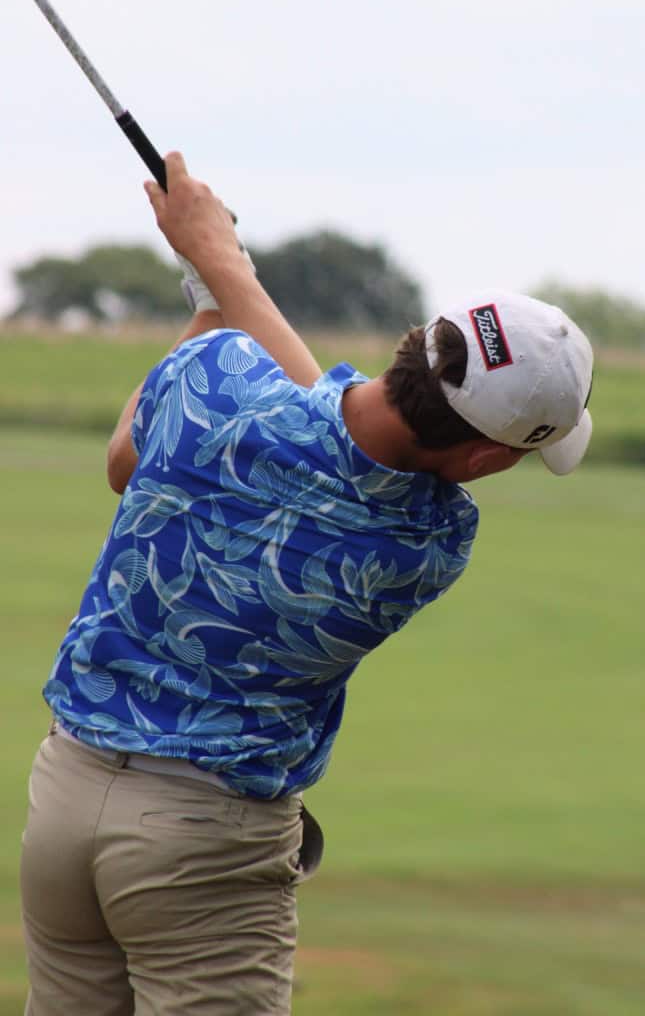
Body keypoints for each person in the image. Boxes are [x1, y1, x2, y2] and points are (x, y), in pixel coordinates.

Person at [20, 153, 594, 1016]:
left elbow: (126, 462)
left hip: (64, 797)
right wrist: (219, 272)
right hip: (203, 844)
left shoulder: (214, 378)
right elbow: (322, 422)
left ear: (422, 343)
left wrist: (214, 279)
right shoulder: (429, 541)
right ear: (482, 458)